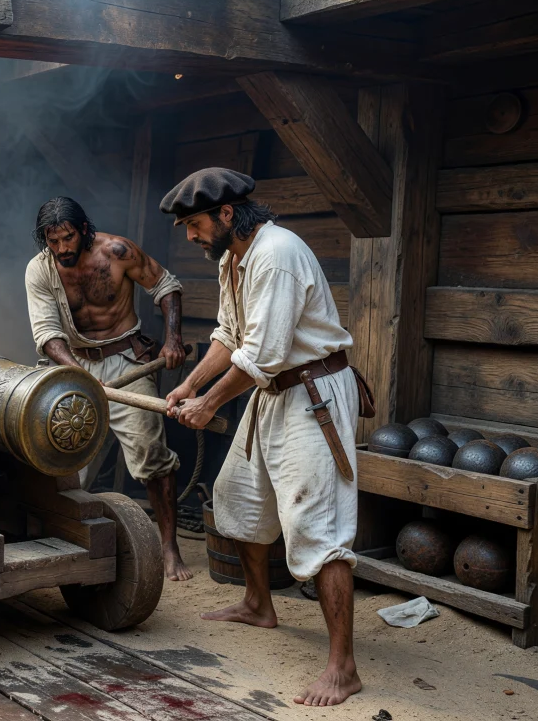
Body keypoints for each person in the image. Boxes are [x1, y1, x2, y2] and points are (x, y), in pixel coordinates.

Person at [162, 168, 367, 706]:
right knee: (238, 495)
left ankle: (342, 668)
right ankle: (259, 603)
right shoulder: (236, 258)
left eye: (194, 224)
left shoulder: (276, 254)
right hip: (272, 393)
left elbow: (265, 355)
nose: (191, 236)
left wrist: (208, 404)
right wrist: (187, 385)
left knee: (317, 529)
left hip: (311, 393)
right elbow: (230, 338)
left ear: (227, 214)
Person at [24, 196, 191, 581]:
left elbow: (166, 285)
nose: (62, 248)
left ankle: (169, 547)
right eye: (53, 241)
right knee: (62, 457)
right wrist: (81, 375)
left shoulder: (117, 252)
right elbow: (47, 334)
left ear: (84, 230)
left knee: (151, 454)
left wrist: (172, 339)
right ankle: (65, 539)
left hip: (128, 362)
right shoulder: (40, 270)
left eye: (68, 238)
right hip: (75, 364)